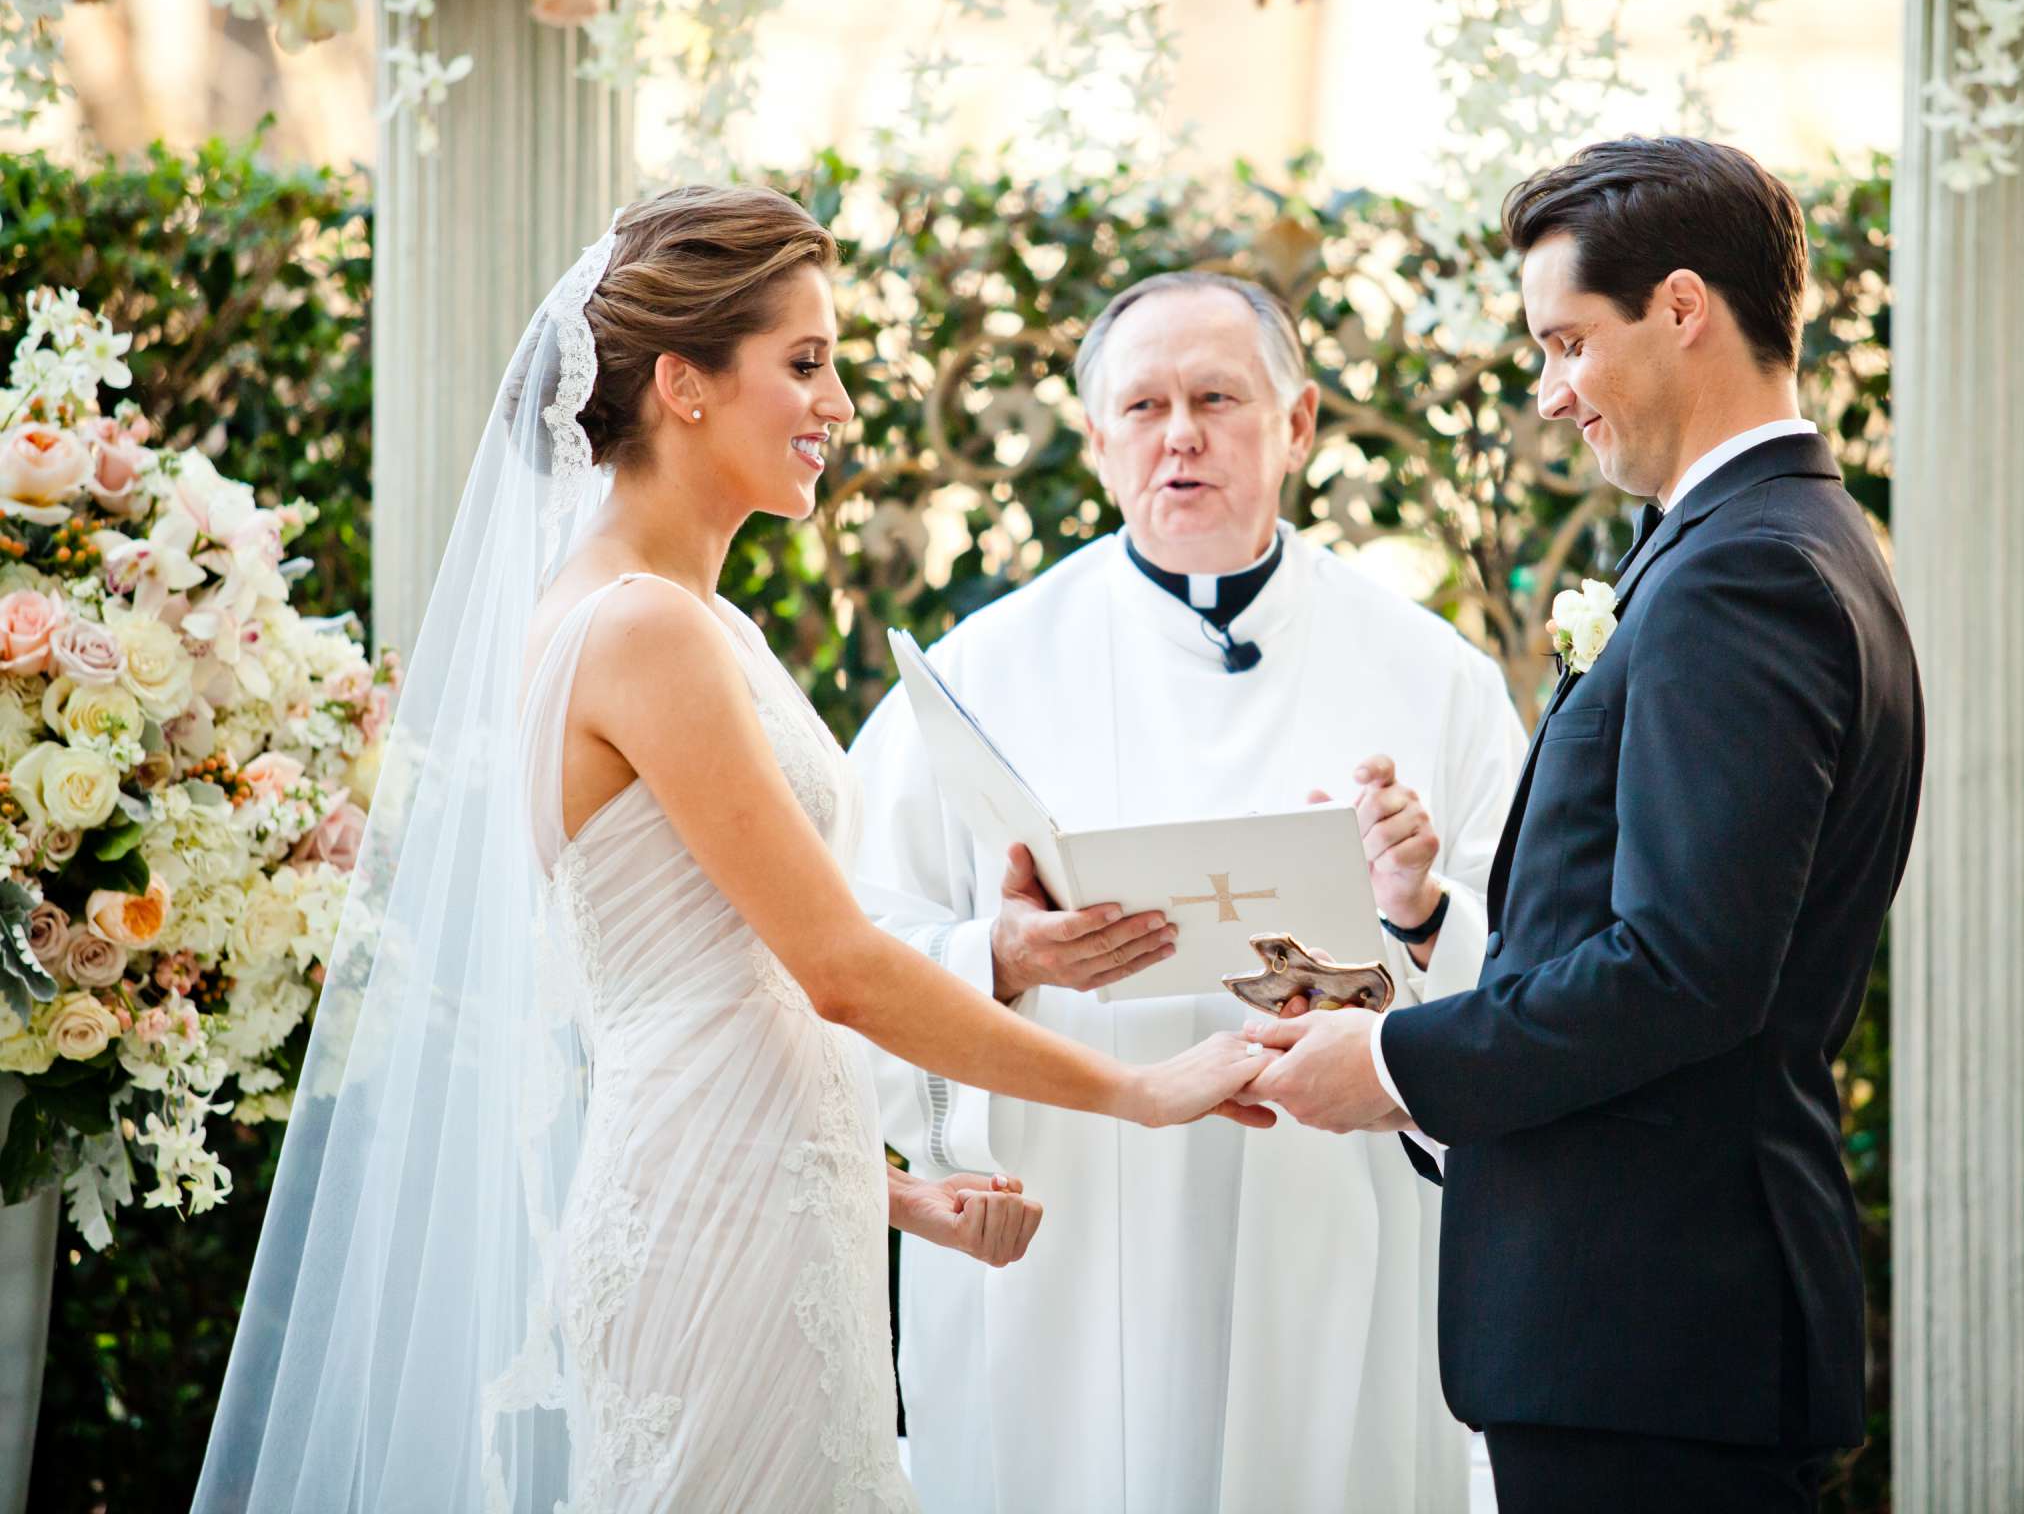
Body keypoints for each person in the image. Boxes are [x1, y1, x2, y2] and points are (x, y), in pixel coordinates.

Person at [192, 187, 1275, 1514]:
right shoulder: (645, 631)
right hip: (714, 1227)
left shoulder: (688, 620)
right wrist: (1139, 1092)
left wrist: (891, 1196)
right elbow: (838, 972)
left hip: (767, 1205)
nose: (841, 406)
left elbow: (710, 996)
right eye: (806, 364)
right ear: (683, 386)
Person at [1246, 137, 1926, 1512]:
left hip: (1660, 1333)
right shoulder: (1771, 540)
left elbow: (1687, 970)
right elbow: (1666, 922)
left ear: (1682, 309)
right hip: (1657, 1333)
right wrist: (1433, 923)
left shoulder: (1746, 575)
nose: (1551, 396)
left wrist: (1391, 1059)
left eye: (1565, 343)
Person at [850, 271, 1527, 1513]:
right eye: (1145, 405)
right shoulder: (976, 676)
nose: (1182, 435)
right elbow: (851, 947)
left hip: (1332, 1214)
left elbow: (1530, 976)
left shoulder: (1435, 676)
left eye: (1219, 397)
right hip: (1074, 1236)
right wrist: (998, 957)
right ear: (1098, 437)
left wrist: (1419, 908)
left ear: (1300, 421)